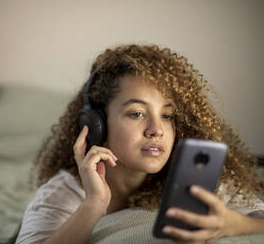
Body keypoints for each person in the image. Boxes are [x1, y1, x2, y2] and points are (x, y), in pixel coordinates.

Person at [15, 44, 264, 244]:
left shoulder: (197, 178)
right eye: (137, 114)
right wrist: (94, 204)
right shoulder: (66, 191)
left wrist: (234, 223)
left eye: (167, 116)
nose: (156, 130)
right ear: (97, 124)